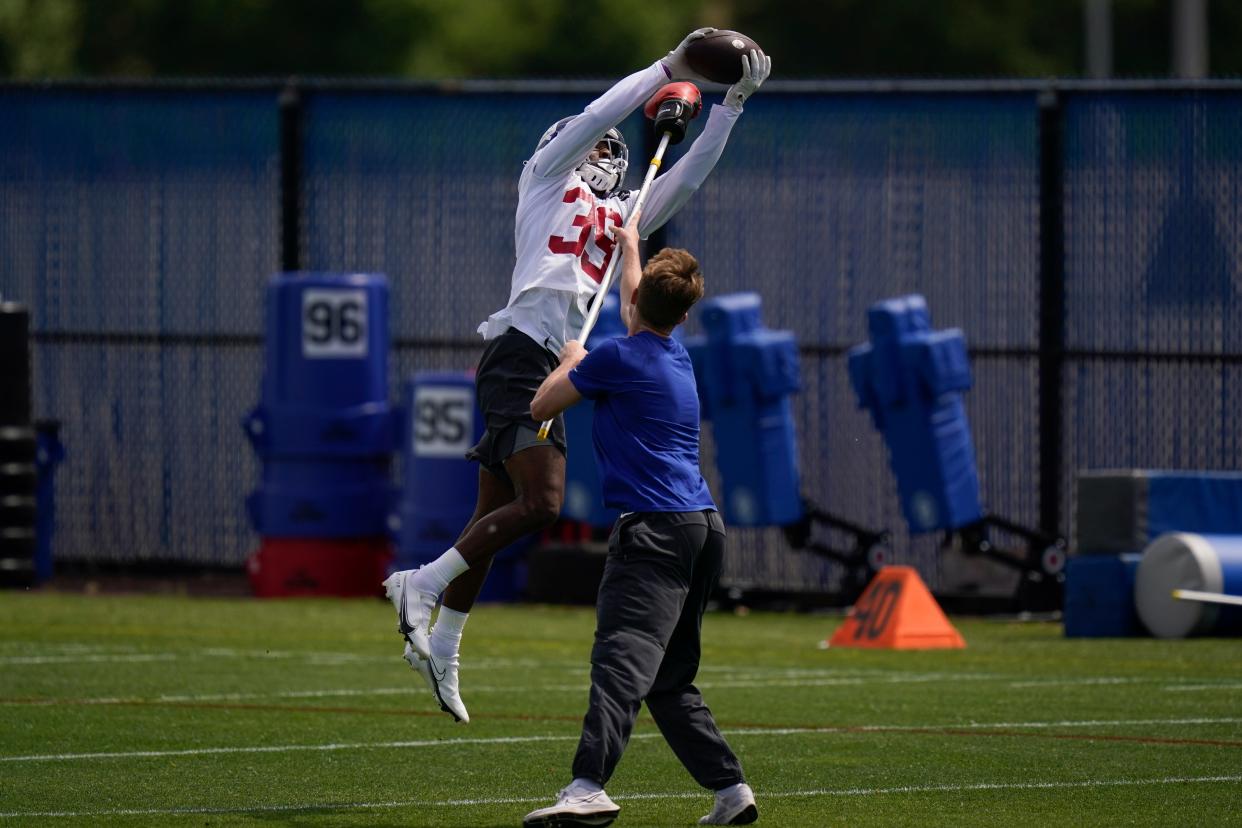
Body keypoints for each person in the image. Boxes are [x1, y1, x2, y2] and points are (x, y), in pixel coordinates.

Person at [382, 29, 772, 725]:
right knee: (544, 502)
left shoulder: (623, 213)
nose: (608, 153)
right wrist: (671, 69)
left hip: (554, 358)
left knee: (493, 514)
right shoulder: (545, 179)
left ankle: (444, 642)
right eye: (598, 146)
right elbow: (598, 116)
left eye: (613, 151)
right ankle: (423, 581)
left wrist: (731, 107)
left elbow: (686, 178)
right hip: (521, 349)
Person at [521, 213, 755, 827]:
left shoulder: (614, 358)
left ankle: (587, 786)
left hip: (652, 531)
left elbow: (542, 403)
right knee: (669, 678)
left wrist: (573, 358)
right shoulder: (673, 354)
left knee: (621, 660)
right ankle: (730, 791)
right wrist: (631, 247)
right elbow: (636, 307)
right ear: (682, 317)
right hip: (702, 528)